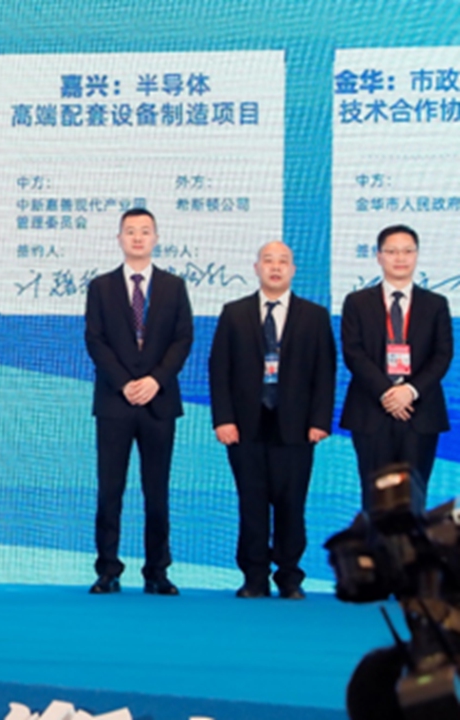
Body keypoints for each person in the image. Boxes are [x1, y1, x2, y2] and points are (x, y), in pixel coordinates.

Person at [209, 241, 336, 600]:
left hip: (297, 427)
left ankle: (289, 577)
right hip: (244, 427)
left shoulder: (314, 315)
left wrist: (320, 421)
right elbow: (219, 370)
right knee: (251, 503)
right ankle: (254, 577)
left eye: (283, 262)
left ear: (293, 270)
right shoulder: (234, 313)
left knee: (291, 504)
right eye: (268, 261)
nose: (275, 267)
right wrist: (223, 419)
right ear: (256, 267)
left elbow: (325, 373)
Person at [84, 208, 192, 596]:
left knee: (156, 489)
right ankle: (108, 569)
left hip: (158, 403)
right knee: (110, 489)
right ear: (119, 239)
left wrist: (154, 381)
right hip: (115, 402)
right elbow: (95, 341)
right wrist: (126, 382)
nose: (138, 238)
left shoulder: (174, 287)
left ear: (156, 238)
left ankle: (157, 571)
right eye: (130, 231)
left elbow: (183, 340)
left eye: (145, 231)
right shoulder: (101, 287)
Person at [340, 224, 452, 511]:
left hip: (420, 412)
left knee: (413, 498)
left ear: (416, 255)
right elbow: (354, 353)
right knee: (375, 499)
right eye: (391, 251)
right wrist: (388, 393)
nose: (400, 258)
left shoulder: (436, 304)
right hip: (371, 411)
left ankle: (411, 557)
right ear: (379, 257)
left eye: (407, 251)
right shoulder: (357, 302)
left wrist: (409, 391)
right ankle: (378, 556)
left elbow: (442, 355)